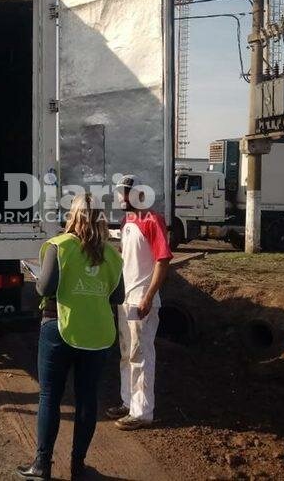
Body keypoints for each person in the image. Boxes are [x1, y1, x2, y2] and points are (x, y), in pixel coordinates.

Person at [16, 193, 124, 481]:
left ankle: (42, 465)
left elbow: (45, 288)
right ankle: (78, 466)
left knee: (50, 395)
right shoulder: (112, 255)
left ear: (72, 216)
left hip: (59, 327)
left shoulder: (59, 246)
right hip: (98, 333)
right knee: (87, 399)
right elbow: (118, 295)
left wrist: (38, 277)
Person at [106, 175, 172, 431]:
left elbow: (162, 260)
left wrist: (147, 297)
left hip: (141, 301)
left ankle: (143, 412)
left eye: (128, 192)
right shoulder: (127, 222)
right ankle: (128, 402)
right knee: (127, 353)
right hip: (126, 298)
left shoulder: (152, 221)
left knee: (141, 354)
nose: (123, 197)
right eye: (121, 192)